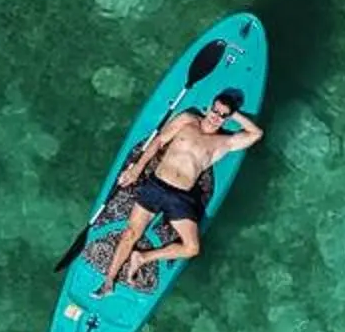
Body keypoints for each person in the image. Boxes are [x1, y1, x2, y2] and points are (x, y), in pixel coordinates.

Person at [92, 93, 265, 295]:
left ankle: (143, 258)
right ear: (209, 107)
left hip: (180, 197)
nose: (216, 117)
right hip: (156, 186)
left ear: (227, 118)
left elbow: (256, 134)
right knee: (130, 233)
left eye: (222, 115)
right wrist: (136, 170)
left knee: (192, 248)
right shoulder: (188, 120)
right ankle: (108, 281)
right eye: (215, 110)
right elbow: (158, 142)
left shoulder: (223, 142)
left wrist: (235, 115)